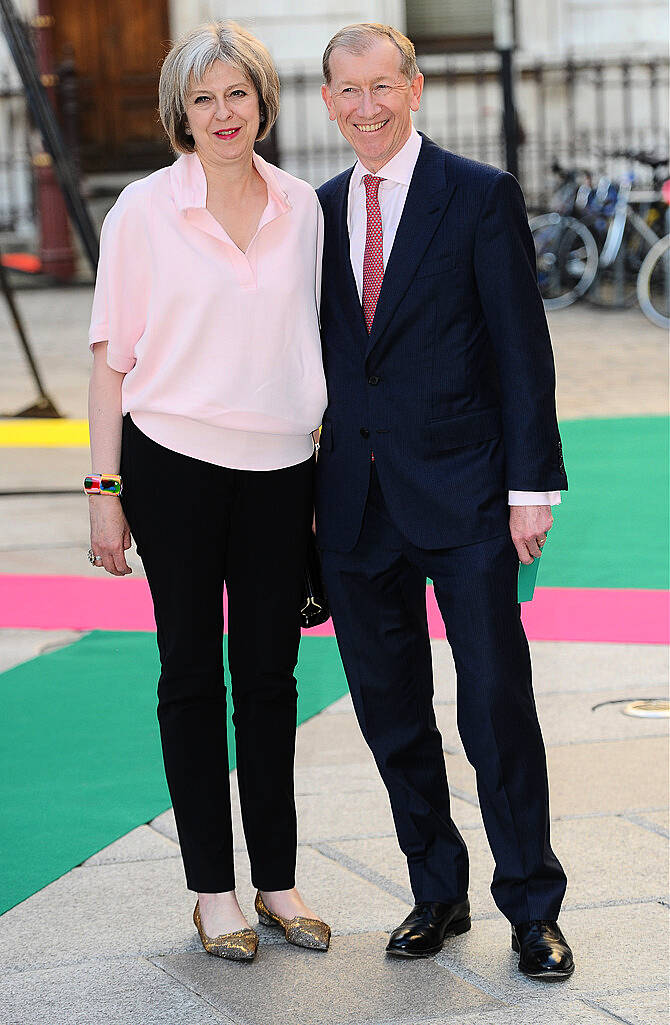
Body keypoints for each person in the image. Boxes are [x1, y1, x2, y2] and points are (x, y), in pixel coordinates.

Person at [315, 23, 574, 979]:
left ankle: (533, 907)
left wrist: (530, 487)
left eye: (383, 86)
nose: (367, 108)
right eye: (348, 92)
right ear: (329, 100)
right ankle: (438, 889)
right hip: (354, 509)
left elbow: (522, 351)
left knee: (496, 707)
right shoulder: (321, 208)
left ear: (414, 87)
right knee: (392, 713)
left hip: (468, 498)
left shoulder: (479, 195)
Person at [86, 20, 330, 962]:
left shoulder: (305, 208)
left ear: (263, 101)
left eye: (238, 94)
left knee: (271, 680)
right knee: (191, 676)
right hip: (173, 467)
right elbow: (111, 363)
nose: (223, 114)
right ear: (178, 114)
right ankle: (212, 892)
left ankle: (277, 879)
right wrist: (104, 489)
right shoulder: (143, 212)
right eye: (203, 99)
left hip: (280, 471)